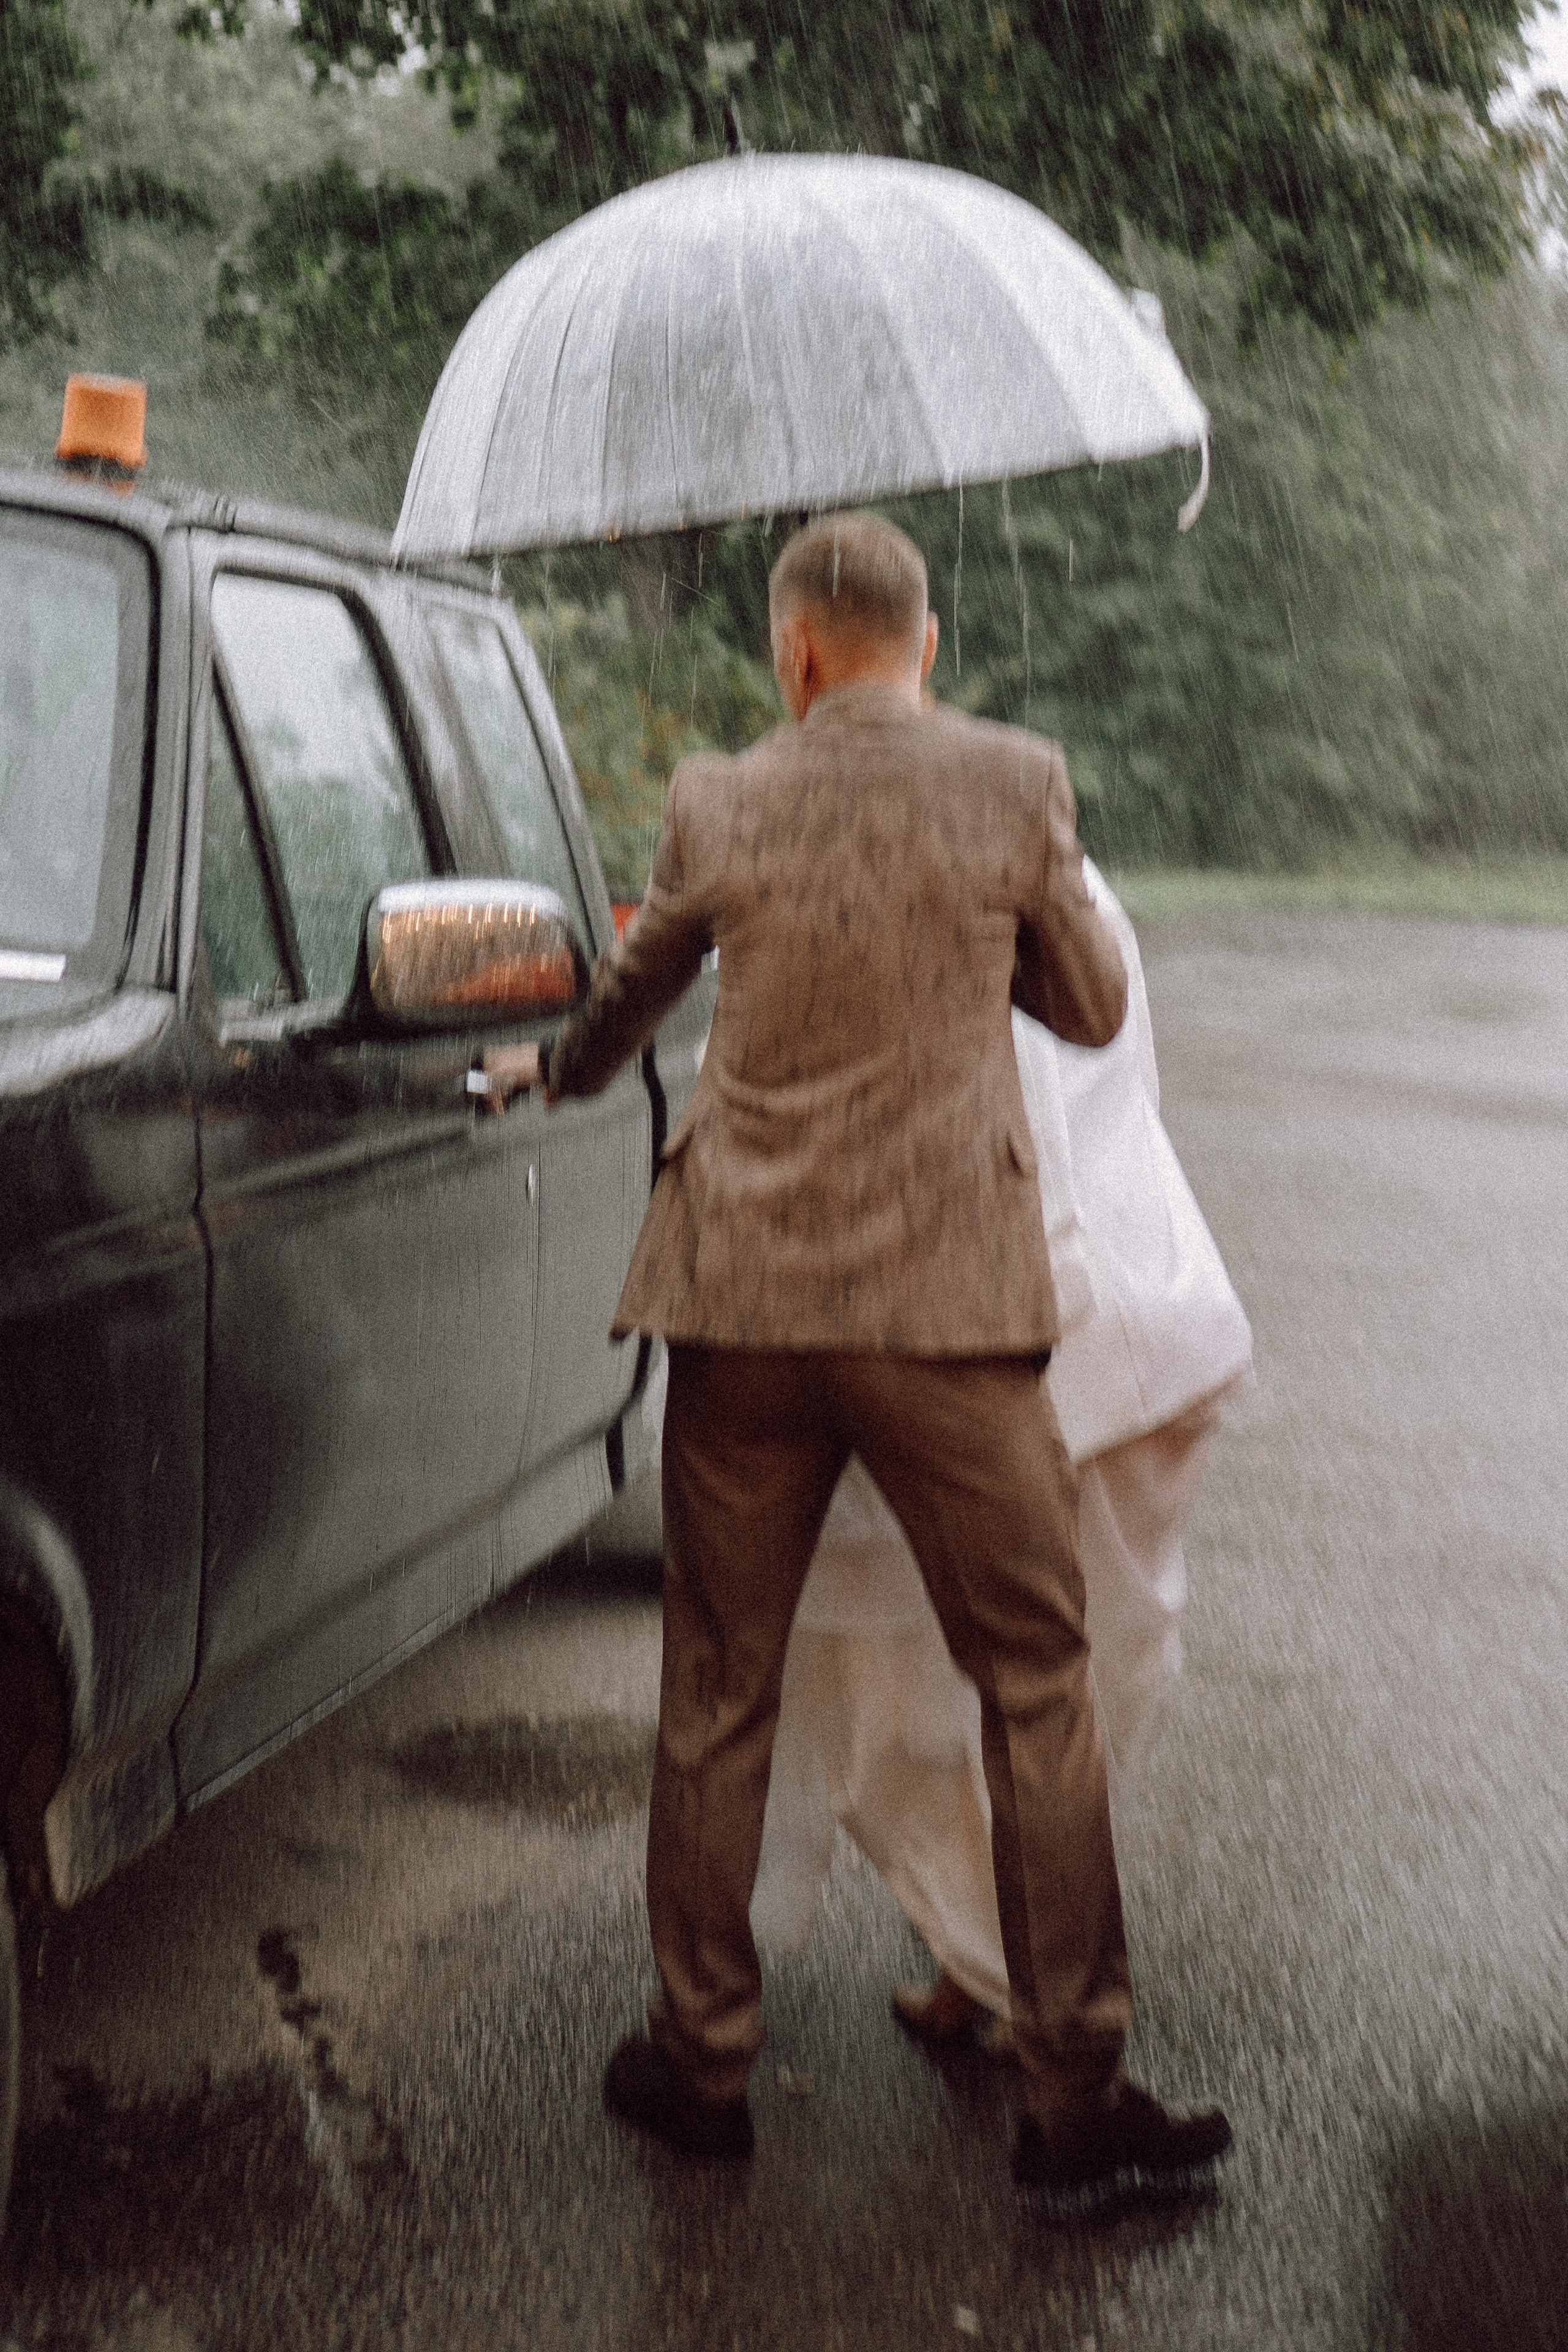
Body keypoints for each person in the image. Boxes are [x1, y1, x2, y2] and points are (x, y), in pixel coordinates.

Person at [528, 511, 1233, 2216]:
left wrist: (549, 1069)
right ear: (925, 646)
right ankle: (1073, 2103)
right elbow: (1087, 1004)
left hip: (751, 1309)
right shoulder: (1014, 782)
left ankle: (702, 2066)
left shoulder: (721, 796)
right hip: (945, 1317)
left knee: (718, 1690)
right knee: (1036, 1687)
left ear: (796, 653)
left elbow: (624, 1007)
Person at [747, 867, 1253, 2045]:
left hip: (1061, 1341)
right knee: (1049, 1684)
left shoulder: (918, 884)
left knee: (941, 1680)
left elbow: (1030, 1152)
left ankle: (1022, 1989)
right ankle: (990, 1967)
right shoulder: (1065, 872)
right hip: (1159, 1317)